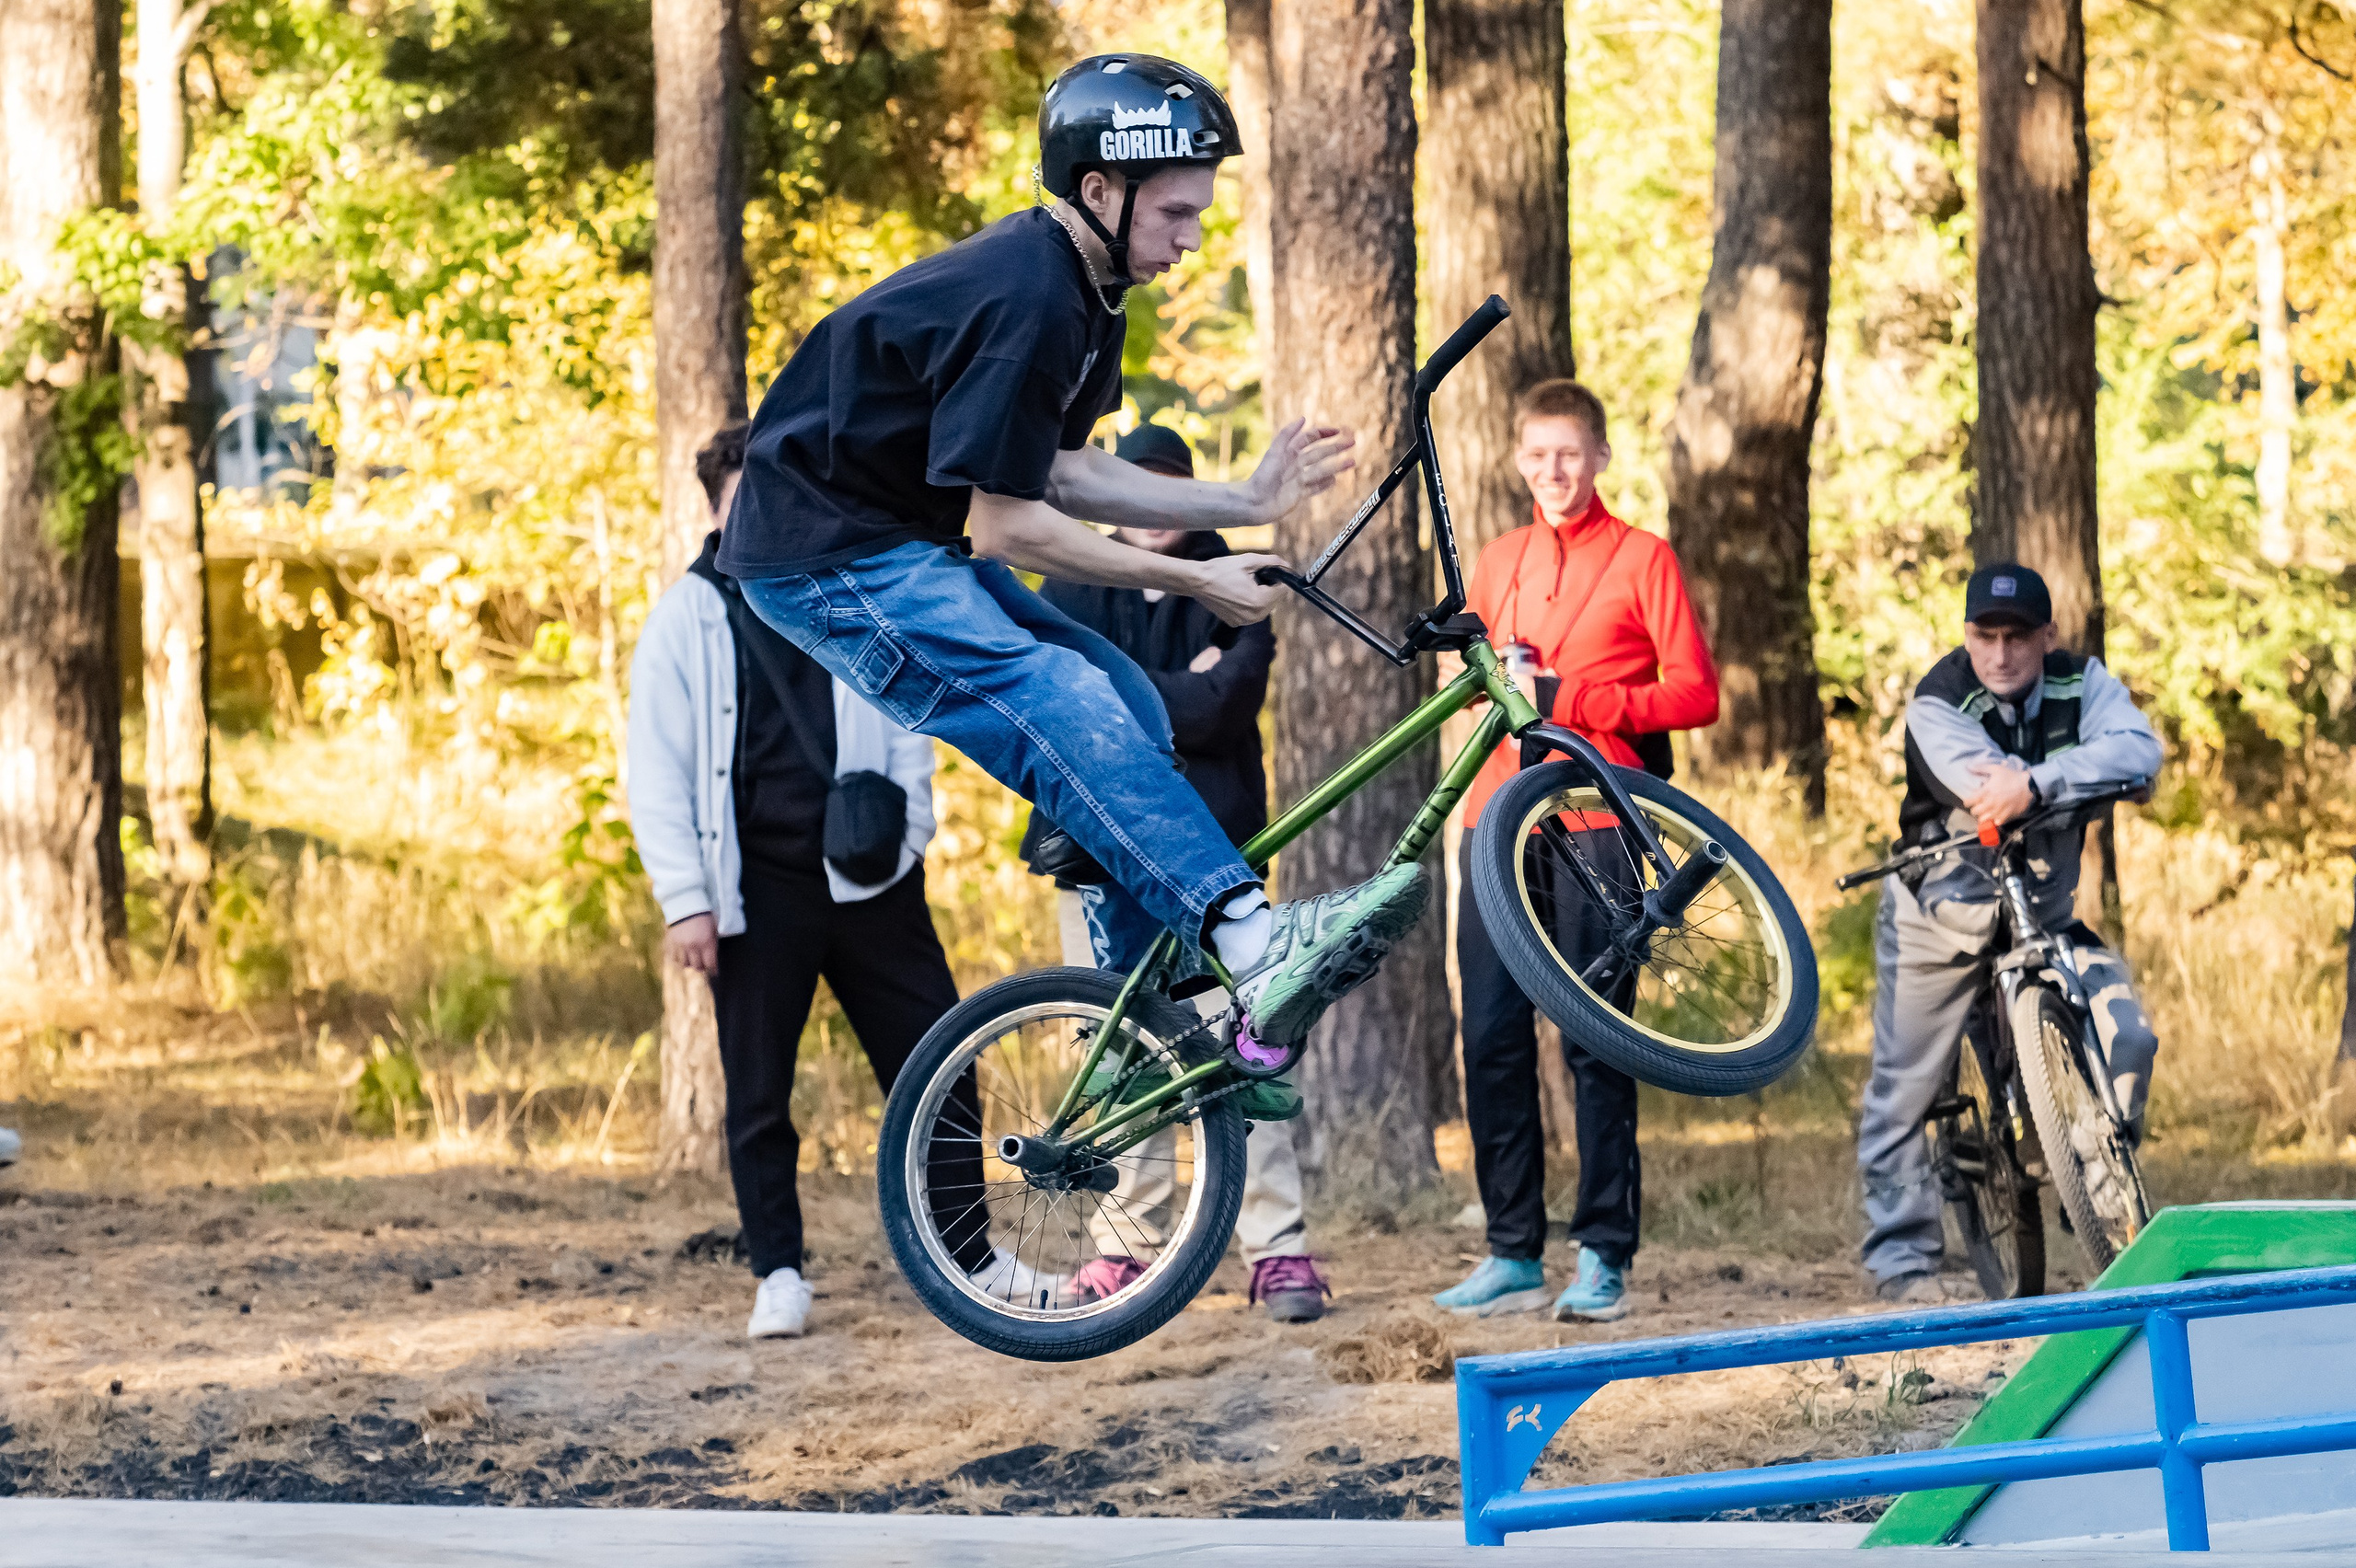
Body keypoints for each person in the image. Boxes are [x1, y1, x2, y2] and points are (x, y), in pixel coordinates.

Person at [716, 54, 1430, 1122]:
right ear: (1100, 189)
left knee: (1133, 707)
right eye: (1177, 213)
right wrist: (1194, 576)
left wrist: (1242, 501)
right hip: (824, 558)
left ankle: (1172, 1019)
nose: (1190, 239)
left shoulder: (1091, 295)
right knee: (1056, 696)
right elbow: (1007, 527)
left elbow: (1056, 469)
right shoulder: (1028, 296)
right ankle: (1245, 933)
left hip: (893, 541)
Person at [629, 423, 976, 1342]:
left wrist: (909, 833)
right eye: (742, 497)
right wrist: (686, 903)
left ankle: (970, 1256)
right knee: (757, 1096)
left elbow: (909, 714)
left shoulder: (843, 596)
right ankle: (778, 1271)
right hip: (753, 892)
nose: (762, 515)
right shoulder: (684, 620)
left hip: (870, 879)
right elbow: (655, 773)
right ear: (714, 507)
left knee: (939, 1064)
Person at [1017, 420, 1329, 1324]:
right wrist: (1175, 686)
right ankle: (1125, 1246)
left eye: (1166, 487)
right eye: (1134, 486)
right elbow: (1072, 709)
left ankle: (1277, 1252)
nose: (1150, 508)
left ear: (1186, 496)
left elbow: (1223, 707)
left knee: (1244, 1044)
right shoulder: (1071, 579)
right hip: (1095, 856)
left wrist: (1136, 690)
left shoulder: (1241, 582)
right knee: (1119, 1052)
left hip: (1214, 860)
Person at [1432, 380, 1719, 1324]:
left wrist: (1577, 704)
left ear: (1598, 457)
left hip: (1600, 821)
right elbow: (1471, 686)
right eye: (1537, 456)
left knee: (1598, 1043)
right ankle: (1512, 1252)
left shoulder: (1644, 559)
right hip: (1494, 821)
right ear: (1519, 462)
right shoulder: (1501, 557)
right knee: (1491, 1039)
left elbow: (1694, 695)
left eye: (1570, 454)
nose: (1554, 472)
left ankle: (1603, 1256)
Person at [1858, 563, 2163, 1303]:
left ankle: (2097, 1192)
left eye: (2018, 635)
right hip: (1939, 914)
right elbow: (1985, 786)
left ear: (2046, 635)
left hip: (2044, 913)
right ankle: (1903, 1261)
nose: (2001, 653)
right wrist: (2069, 777)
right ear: (1966, 637)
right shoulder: (1937, 699)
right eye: (1985, 636)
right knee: (1907, 1083)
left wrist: (2038, 783)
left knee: (2129, 1035)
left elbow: (2141, 755)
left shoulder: (2083, 682)